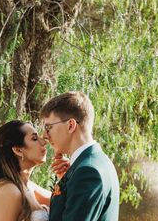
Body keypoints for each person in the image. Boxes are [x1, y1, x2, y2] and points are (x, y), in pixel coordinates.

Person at [41, 91, 119, 221]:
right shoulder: (96, 162)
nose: (44, 135)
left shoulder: (88, 172)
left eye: (48, 127)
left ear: (71, 125)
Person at [0, 120, 69, 221]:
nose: (43, 142)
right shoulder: (8, 191)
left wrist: (66, 178)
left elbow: (65, 205)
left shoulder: (28, 186)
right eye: (34, 138)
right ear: (18, 150)